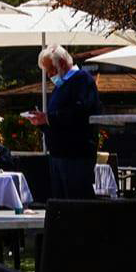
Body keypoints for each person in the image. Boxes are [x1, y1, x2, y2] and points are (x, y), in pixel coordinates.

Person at [25, 44, 102, 199]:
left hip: (76, 156)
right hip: (59, 155)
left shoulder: (82, 79)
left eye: (50, 70)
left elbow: (79, 113)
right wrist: (41, 122)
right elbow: (56, 121)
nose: (49, 75)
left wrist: (48, 118)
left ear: (61, 63)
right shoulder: (60, 86)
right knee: (62, 203)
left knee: (77, 202)